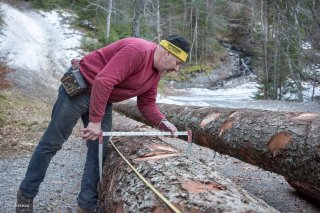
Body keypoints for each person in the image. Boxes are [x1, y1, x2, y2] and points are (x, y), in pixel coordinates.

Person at [15, 35, 190, 213]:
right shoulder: (137, 51)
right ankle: (25, 196)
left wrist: (162, 122)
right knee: (52, 143)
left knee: (99, 151)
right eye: (177, 62)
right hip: (80, 90)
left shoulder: (155, 73)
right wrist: (95, 121)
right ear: (167, 53)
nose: (176, 68)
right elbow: (104, 80)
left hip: (103, 97)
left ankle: (85, 206)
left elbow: (146, 103)